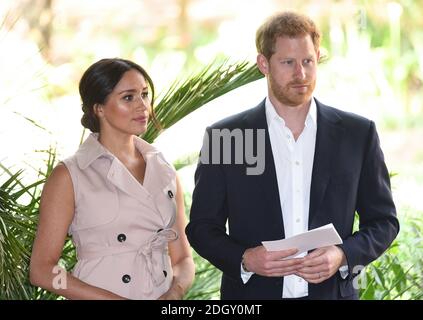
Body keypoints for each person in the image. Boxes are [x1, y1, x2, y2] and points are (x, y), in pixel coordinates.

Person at [186, 11, 399, 300]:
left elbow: (384, 221)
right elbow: (201, 227)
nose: (301, 74)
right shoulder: (226, 137)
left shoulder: (357, 134)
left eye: (308, 62)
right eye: (288, 62)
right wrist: (246, 259)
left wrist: (343, 255)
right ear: (264, 63)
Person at [30, 58, 195, 300]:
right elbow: (42, 270)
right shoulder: (70, 174)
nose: (143, 106)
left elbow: (183, 258)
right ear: (99, 108)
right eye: (128, 97)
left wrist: (175, 293)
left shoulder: (164, 169)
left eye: (145, 94)